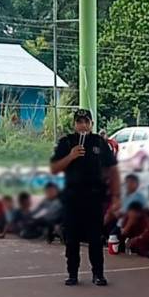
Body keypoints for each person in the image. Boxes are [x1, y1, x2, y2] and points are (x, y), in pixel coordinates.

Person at [51, 109, 120, 286]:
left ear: (91, 124)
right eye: (79, 122)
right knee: (71, 238)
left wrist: (117, 196)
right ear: (74, 124)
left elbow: (112, 169)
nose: (83, 125)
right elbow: (55, 168)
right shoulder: (66, 142)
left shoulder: (99, 143)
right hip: (72, 198)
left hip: (94, 198)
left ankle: (98, 273)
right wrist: (70, 156)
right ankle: (72, 273)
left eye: (86, 122)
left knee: (95, 238)